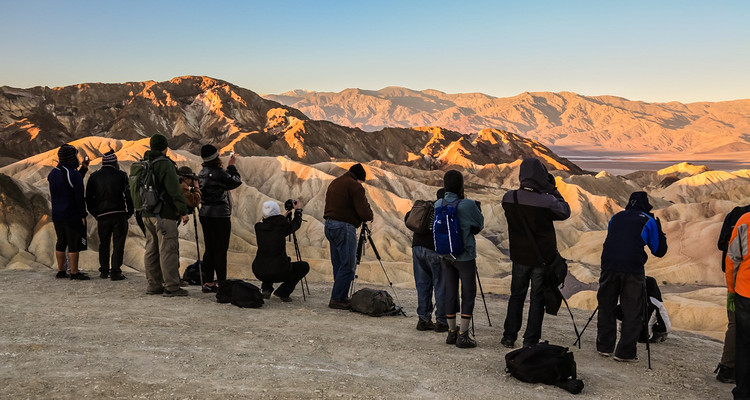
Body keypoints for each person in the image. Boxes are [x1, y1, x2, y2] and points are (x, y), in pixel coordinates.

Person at [501, 158, 571, 348]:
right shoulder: (547, 201)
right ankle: (530, 341)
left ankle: (509, 336)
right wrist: (552, 189)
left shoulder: (509, 198)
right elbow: (565, 211)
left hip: (519, 256)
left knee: (516, 295)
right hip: (542, 259)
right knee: (537, 299)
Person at [596, 191, 667, 362]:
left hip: (608, 265)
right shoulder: (647, 220)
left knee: (606, 305)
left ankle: (605, 347)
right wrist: (658, 229)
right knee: (632, 310)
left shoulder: (616, 217)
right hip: (632, 269)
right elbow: (659, 250)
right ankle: (625, 352)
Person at [133, 134, 189, 297]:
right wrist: (183, 211)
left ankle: (154, 285)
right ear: (164, 148)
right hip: (164, 215)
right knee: (167, 249)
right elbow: (174, 191)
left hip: (146, 214)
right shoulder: (165, 165)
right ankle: (172, 286)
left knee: (151, 249)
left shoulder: (144, 164)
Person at [437, 170, 484, 348]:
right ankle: (463, 335)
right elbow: (479, 224)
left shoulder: (438, 203)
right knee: (468, 293)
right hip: (465, 256)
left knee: (450, 292)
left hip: (445, 255)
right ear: (461, 185)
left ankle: (451, 333)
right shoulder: (468, 205)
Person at [323, 163, 374, 310]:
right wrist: (369, 215)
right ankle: (338, 298)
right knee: (348, 265)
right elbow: (363, 211)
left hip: (329, 225)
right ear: (359, 178)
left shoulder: (335, 182)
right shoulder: (355, 186)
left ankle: (340, 295)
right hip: (344, 227)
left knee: (338, 264)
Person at [198, 145, 242, 292]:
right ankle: (222, 283)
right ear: (215, 158)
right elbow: (235, 181)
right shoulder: (219, 173)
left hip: (205, 214)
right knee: (221, 250)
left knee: (209, 248)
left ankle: (208, 283)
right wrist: (231, 167)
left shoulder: (202, 172)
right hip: (220, 216)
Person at [85, 150, 133, 280]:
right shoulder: (121, 175)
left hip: (102, 215)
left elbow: (88, 198)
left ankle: (104, 271)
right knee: (118, 243)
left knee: (104, 243)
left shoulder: (94, 177)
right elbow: (128, 195)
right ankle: (116, 271)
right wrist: (130, 211)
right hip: (119, 214)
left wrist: (95, 213)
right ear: (115, 162)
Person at [405, 188, 448, 332]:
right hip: (434, 251)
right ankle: (442, 321)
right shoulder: (446, 209)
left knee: (422, 285)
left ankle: (423, 320)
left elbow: (407, 217)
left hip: (417, 247)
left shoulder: (427, 206)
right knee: (441, 285)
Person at [716, 204, 750, 383]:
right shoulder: (743, 218)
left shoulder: (739, 216)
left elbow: (728, 253)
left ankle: (728, 368)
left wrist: (731, 289)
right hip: (741, 285)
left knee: (736, 327)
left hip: (739, 285)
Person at [252, 200, 310, 302]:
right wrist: (298, 211)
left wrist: (282, 218)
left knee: (268, 260)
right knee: (304, 266)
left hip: (259, 271)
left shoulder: (258, 227)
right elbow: (296, 224)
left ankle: (266, 289)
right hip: (279, 271)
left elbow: (273, 226)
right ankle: (283, 292)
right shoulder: (282, 227)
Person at [48, 144, 90, 280]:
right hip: (71, 214)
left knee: (61, 241)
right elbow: (78, 196)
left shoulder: (53, 173)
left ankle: (61, 271)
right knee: (74, 243)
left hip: (57, 214)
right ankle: (74, 272)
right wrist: (82, 215)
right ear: (70, 157)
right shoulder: (72, 173)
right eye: (75, 155)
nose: (77, 158)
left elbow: (68, 183)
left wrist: (83, 169)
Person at [727, 211, 750, 399]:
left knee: (744, 344)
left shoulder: (745, 220)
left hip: (745, 291)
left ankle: (743, 393)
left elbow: (733, 258)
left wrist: (731, 289)